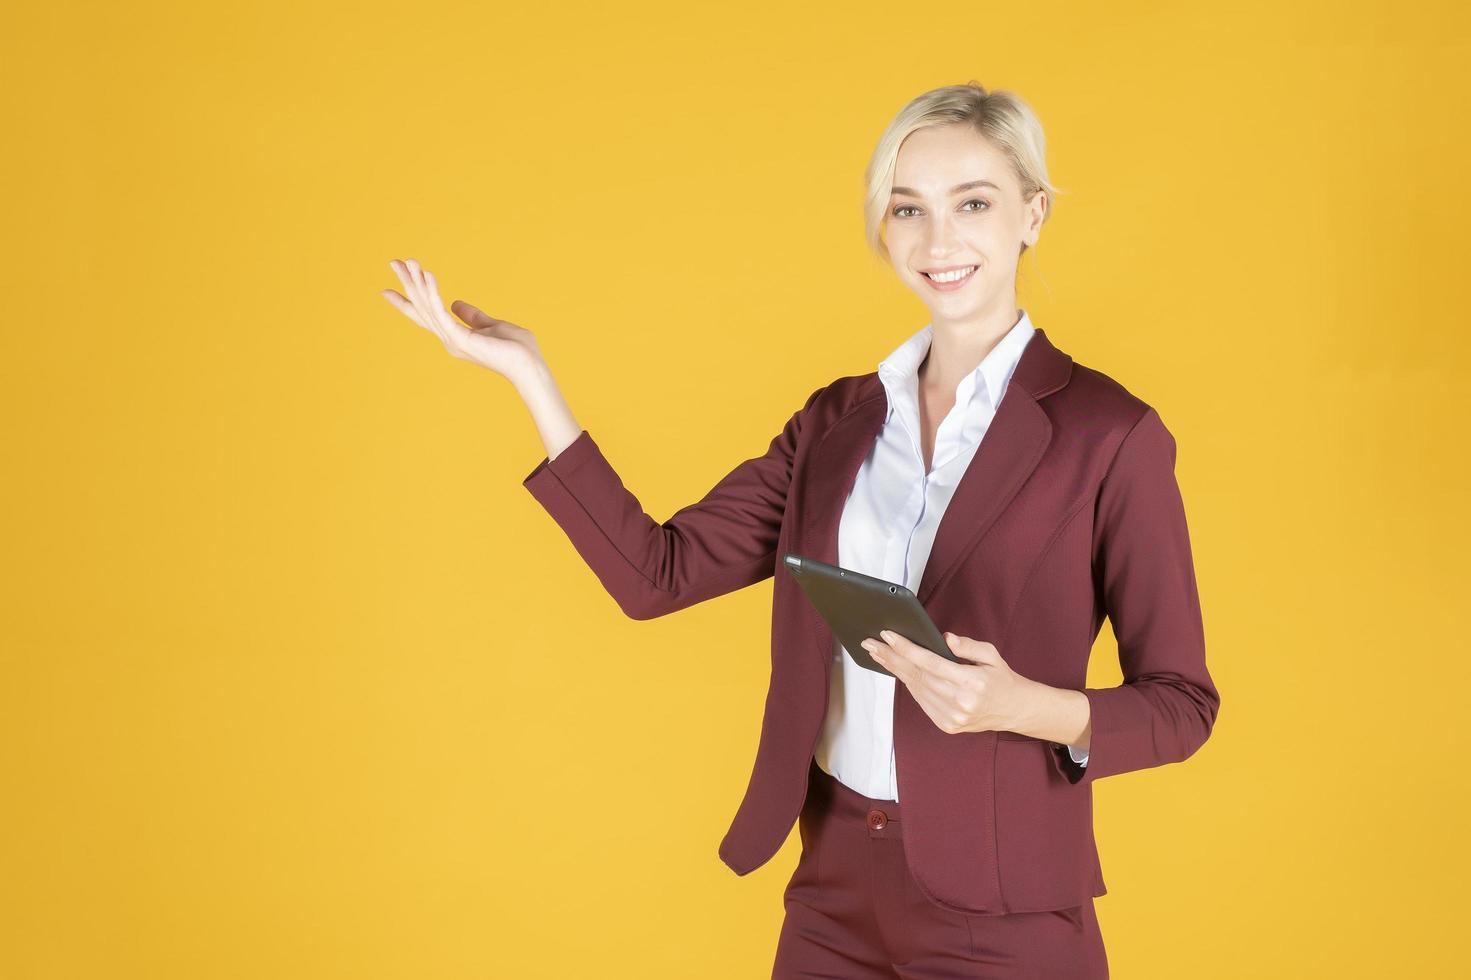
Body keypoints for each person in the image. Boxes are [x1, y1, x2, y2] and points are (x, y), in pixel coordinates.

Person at [380, 81, 1220, 980]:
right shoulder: (836, 423)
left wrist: (1026, 707)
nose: (939, 240)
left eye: (972, 203)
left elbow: (1181, 706)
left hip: (1006, 907)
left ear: (1032, 214)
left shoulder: (1108, 433)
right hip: (832, 887)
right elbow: (654, 576)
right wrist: (531, 381)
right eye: (908, 209)